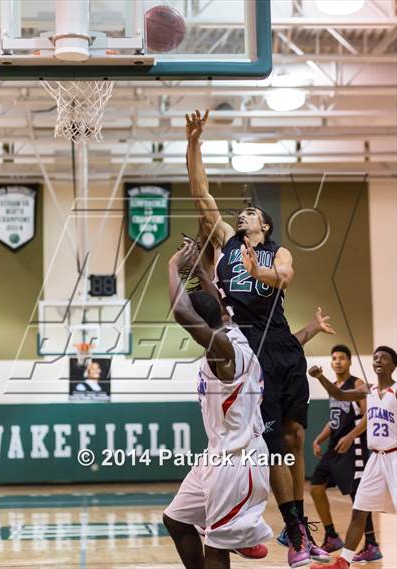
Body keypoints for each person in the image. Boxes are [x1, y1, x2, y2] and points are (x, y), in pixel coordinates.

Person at [185, 109, 328, 567]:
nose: (240, 214)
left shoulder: (276, 250)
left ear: (263, 225)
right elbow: (200, 191)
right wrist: (194, 143)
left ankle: (297, 528)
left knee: (295, 435)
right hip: (247, 349)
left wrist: (257, 271)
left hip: (282, 344)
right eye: (240, 212)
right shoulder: (226, 240)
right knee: (264, 443)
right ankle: (273, 526)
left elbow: (283, 277)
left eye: (249, 212)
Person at [163, 242, 272, 569]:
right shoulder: (232, 329)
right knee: (177, 520)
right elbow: (215, 302)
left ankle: (237, 532)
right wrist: (197, 272)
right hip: (218, 454)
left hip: (238, 461)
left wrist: (172, 267)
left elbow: (183, 312)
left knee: (216, 547)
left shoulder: (223, 349)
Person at [308, 346, 397, 569]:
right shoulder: (368, 389)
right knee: (359, 509)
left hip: (395, 457)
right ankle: (343, 562)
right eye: (375, 357)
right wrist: (320, 377)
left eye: (383, 358)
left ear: (393, 365)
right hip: (375, 459)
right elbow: (338, 395)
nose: (377, 361)